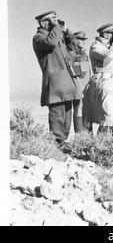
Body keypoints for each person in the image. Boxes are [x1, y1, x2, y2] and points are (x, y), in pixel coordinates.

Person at [32, 10, 82, 145]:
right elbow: (51, 43)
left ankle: (62, 143)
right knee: (57, 117)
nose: (56, 21)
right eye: (52, 19)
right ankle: (55, 145)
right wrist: (56, 28)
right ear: (43, 23)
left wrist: (66, 31)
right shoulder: (39, 38)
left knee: (66, 117)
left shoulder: (56, 35)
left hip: (66, 83)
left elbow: (74, 47)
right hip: (55, 84)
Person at [71, 31, 92, 133]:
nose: (83, 41)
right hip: (79, 87)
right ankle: (80, 134)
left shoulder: (83, 53)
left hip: (85, 87)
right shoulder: (74, 53)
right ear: (75, 40)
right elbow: (77, 72)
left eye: (84, 40)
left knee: (85, 110)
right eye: (81, 39)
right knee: (79, 110)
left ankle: (86, 133)